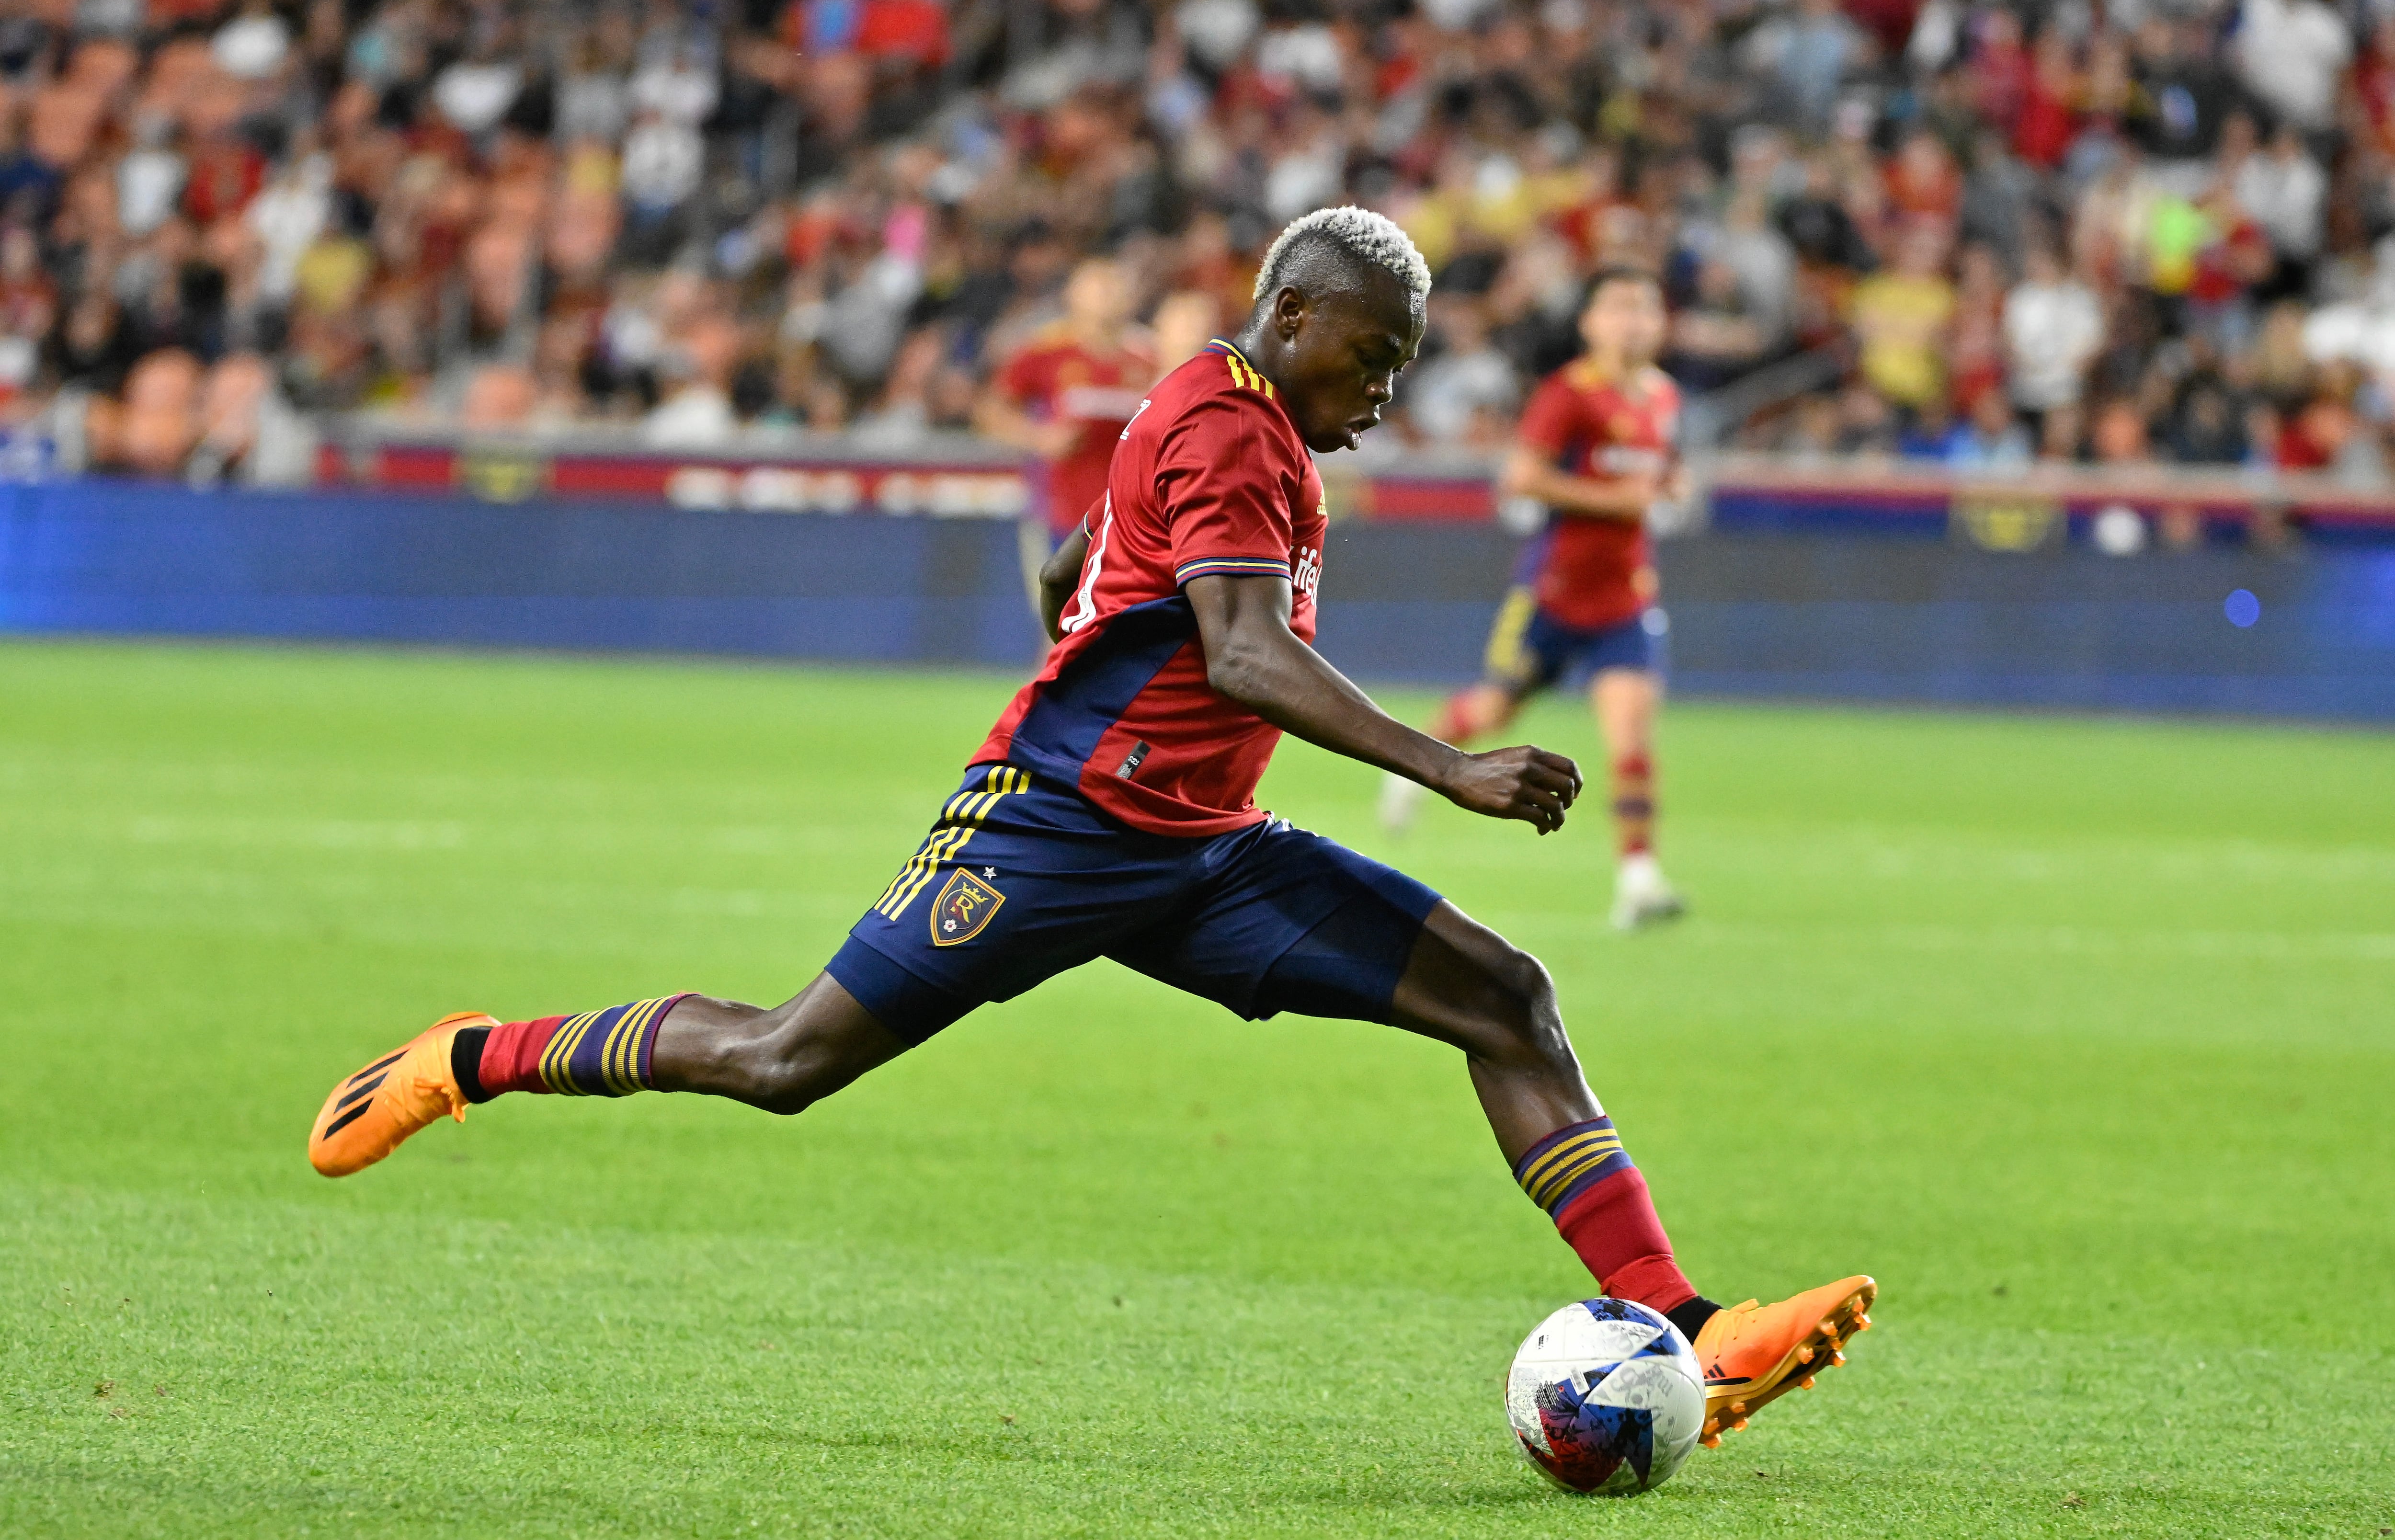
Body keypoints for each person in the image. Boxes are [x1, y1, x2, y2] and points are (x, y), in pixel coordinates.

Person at [308, 209, 1872, 1452]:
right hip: (1050, 832)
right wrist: (1443, 764)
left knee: (1506, 997)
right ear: (1298, 322)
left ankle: (1690, 1326)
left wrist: (1086, 590)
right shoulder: (1233, 429)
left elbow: (1090, 553)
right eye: (1377, 361)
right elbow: (1244, 651)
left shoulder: (1218, 406)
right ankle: (472, 1055)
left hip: (1197, 848)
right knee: (784, 1062)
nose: (1388, 396)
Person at [1380, 267, 1691, 933]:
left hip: (1626, 599)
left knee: (1632, 738)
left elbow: (1661, 477)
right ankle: (1411, 767)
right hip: (1553, 592)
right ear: (1591, 323)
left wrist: (1671, 490)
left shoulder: (1664, 398)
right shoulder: (1569, 394)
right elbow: (1523, 478)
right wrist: (1617, 500)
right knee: (1492, 709)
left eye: (1645, 308)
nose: (1633, 321)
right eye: (1619, 307)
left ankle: (1638, 878)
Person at [975, 255, 1156, 604]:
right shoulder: (1046, 351)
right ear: (1073, 295)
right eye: (1096, 285)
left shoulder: (1149, 357)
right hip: (1060, 511)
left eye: (1114, 285)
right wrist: (1038, 437)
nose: (1106, 293)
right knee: (1062, 621)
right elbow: (990, 408)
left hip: (1132, 517)